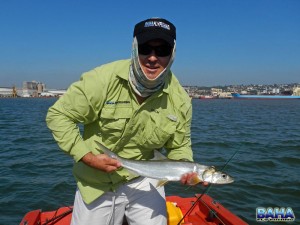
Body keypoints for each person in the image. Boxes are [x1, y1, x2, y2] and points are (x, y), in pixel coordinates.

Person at [46, 17, 198, 225]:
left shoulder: (180, 100)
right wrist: (87, 157)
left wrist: (185, 170)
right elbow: (58, 115)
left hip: (145, 179)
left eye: (162, 50)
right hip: (96, 180)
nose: (153, 58)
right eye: (146, 48)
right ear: (135, 48)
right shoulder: (102, 79)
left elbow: (180, 146)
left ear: (172, 54)